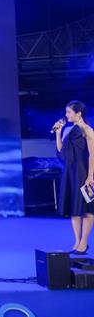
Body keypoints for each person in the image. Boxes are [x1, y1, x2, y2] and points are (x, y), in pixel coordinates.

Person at [54, 101, 94, 255]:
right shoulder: (67, 130)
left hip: (83, 172)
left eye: (69, 112)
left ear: (79, 113)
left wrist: (90, 176)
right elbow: (61, 152)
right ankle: (77, 242)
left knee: (87, 207)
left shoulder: (88, 130)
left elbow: (92, 155)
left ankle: (84, 242)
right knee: (74, 208)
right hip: (70, 171)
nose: (66, 115)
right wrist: (58, 133)